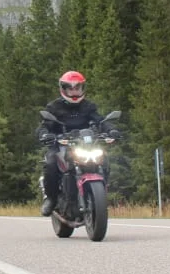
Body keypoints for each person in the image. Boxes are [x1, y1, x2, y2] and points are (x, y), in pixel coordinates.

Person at [36, 70, 121, 217]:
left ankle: (98, 193)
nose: (74, 91)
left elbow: (101, 121)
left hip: (85, 144)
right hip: (61, 144)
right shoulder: (54, 107)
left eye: (77, 88)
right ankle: (51, 198)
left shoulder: (88, 106)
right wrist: (45, 134)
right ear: (63, 88)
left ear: (82, 88)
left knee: (104, 159)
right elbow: (44, 125)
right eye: (71, 88)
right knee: (50, 163)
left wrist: (112, 131)